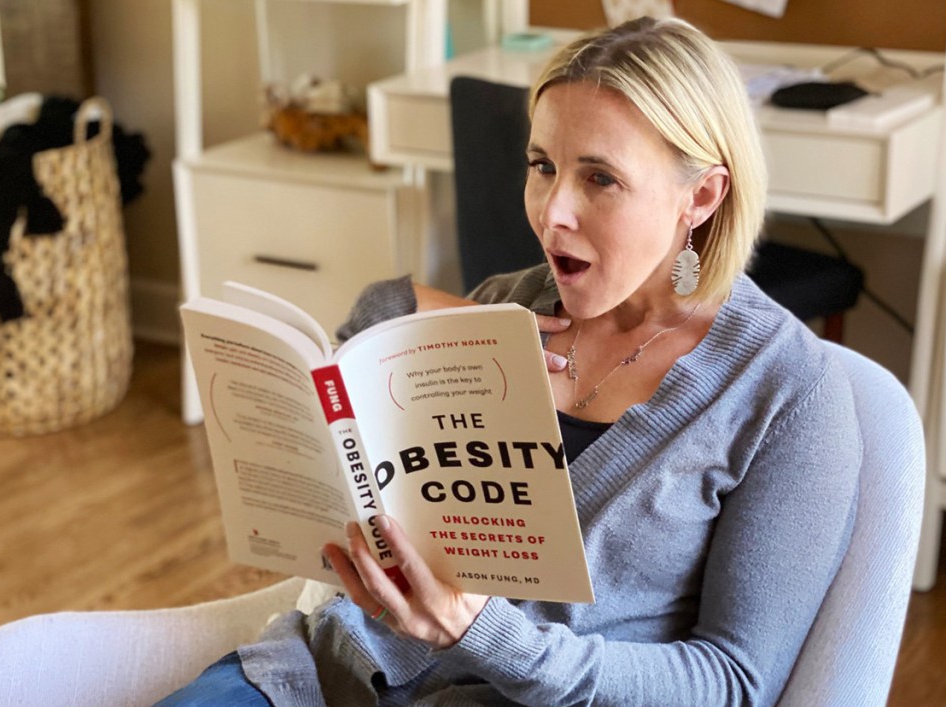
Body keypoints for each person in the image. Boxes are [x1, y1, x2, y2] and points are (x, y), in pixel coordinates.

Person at [160, 16, 860, 706]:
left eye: (601, 179)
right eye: (542, 166)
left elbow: (733, 682)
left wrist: (482, 631)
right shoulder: (509, 307)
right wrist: (423, 307)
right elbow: (351, 371)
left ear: (701, 196)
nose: (552, 211)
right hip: (315, 674)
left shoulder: (788, 390)